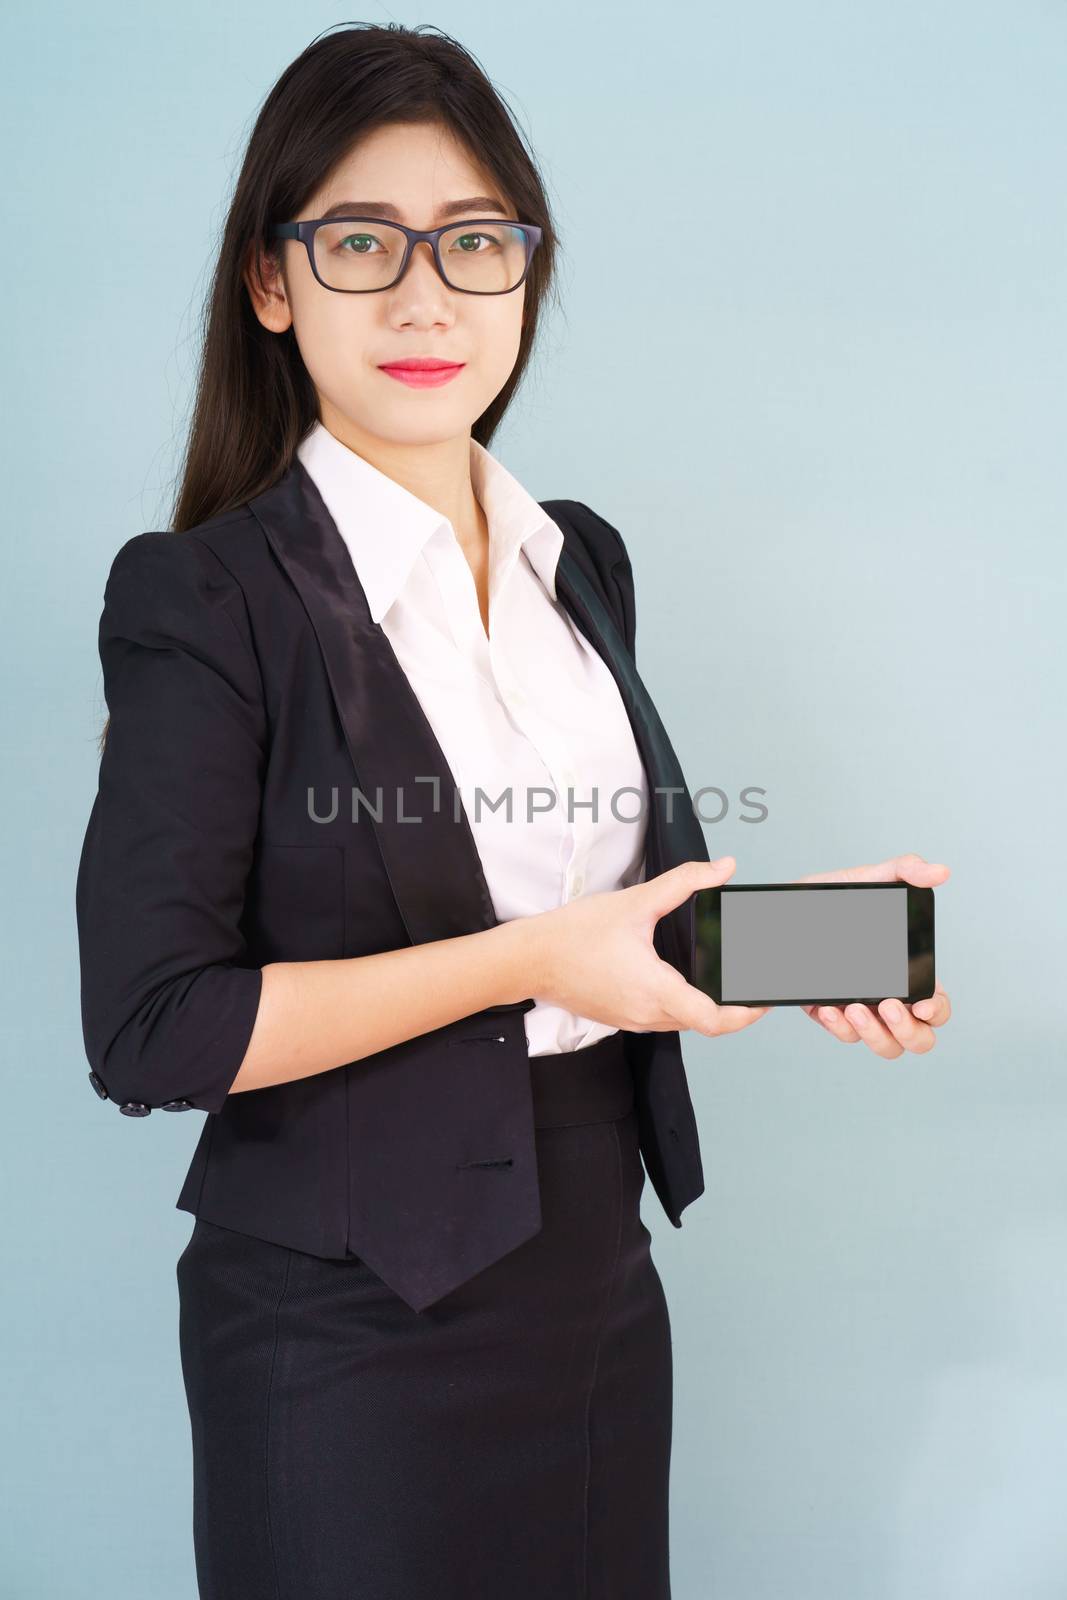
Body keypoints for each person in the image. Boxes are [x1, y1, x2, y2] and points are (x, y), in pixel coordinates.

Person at [75, 23, 952, 1599]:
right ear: (273, 284)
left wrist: (788, 947)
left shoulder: (581, 562)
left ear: (527, 273)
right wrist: (535, 959)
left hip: (594, 1280)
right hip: (343, 1317)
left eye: (476, 243)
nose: (428, 296)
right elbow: (152, 1027)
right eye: (363, 242)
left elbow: (605, 912)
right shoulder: (206, 598)